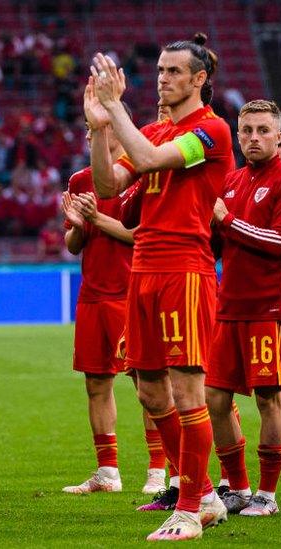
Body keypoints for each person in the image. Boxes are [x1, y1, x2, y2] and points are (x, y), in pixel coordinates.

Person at [88, 33, 234, 540]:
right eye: (160, 71)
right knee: (150, 391)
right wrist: (98, 130)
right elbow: (107, 187)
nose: (163, 78)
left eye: (174, 72)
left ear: (199, 80)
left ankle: (190, 510)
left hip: (184, 269)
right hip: (143, 268)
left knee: (187, 389)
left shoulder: (212, 131)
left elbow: (149, 160)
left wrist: (115, 108)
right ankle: (208, 495)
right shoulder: (149, 128)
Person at [60, 101, 168, 496]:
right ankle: (107, 472)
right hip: (91, 296)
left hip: (130, 293)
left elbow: (144, 235)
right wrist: (76, 226)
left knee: (146, 382)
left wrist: (99, 219)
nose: (93, 139)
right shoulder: (79, 181)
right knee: (96, 383)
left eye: (100, 132)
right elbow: (75, 245)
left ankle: (158, 469)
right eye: (90, 133)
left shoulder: (141, 176)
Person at [206, 99, 281, 517]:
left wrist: (226, 221)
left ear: (278, 135)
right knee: (214, 396)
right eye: (246, 130)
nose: (253, 138)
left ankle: (267, 494)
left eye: (263, 130)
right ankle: (239, 486)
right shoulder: (230, 181)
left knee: (268, 397)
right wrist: (209, 228)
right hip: (229, 305)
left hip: (267, 307)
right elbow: (218, 245)